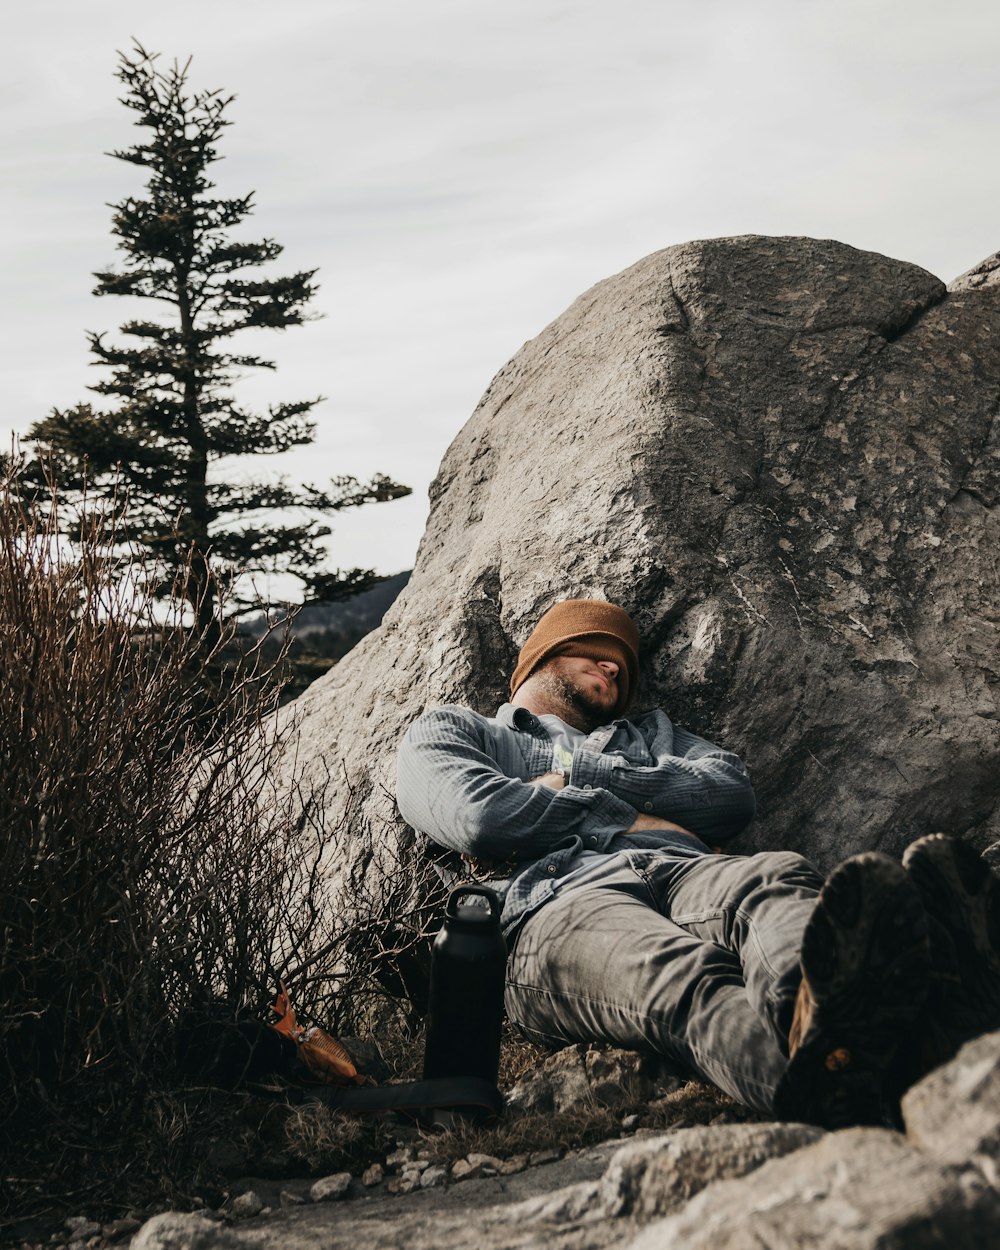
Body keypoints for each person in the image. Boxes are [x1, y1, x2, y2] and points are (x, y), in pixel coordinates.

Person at [396, 599, 1000, 1126]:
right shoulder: (458, 729)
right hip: (553, 907)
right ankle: (848, 1084)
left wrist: (582, 775)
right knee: (684, 976)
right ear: (541, 656)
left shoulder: (654, 736)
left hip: (684, 872)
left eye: (623, 666)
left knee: (771, 876)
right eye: (597, 651)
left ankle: (825, 1018)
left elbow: (730, 794)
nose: (613, 666)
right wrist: (633, 816)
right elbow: (480, 817)